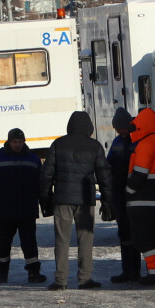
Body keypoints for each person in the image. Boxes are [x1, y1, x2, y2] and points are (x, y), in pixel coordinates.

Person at [40, 109, 110, 290]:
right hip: (86, 200)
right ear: (89, 127)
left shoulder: (58, 144)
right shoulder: (95, 147)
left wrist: (46, 199)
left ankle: (60, 280)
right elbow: (104, 176)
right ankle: (85, 279)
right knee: (85, 239)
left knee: (62, 240)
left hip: (62, 198)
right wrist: (108, 200)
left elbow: (47, 175)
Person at [0, 127, 46, 284]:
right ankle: (2, 272)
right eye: (14, 142)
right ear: (9, 141)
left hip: (27, 209)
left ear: (24, 142)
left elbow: (41, 184)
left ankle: (33, 273)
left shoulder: (33, 159)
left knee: (29, 242)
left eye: (20, 142)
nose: (17, 145)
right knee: (3, 242)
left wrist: (45, 205)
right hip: (5, 209)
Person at [125, 106, 155, 285]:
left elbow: (139, 174)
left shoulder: (145, 145)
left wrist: (128, 192)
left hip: (143, 203)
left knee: (144, 238)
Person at [105, 107, 141, 283]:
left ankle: (135, 270)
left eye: (121, 128)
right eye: (117, 129)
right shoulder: (118, 142)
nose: (119, 131)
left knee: (134, 232)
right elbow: (109, 163)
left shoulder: (136, 140)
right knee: (124, 233)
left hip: (134, 192)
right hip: (120, 192)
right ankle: (128, 271)